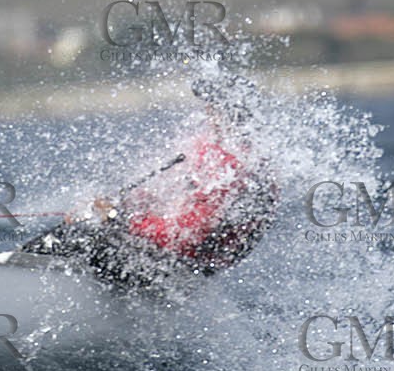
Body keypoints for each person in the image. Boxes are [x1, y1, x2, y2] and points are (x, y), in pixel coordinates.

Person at [20, 75, 277, 287]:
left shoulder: (232, 167)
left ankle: (18, 271)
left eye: (214, 107)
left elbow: (188, 234)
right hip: (177, 262)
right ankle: (23, 265)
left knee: (84, 235)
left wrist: (116, 218)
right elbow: (165, 195)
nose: (208, 113)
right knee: (91, 226)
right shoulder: (224, 152)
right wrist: (120, 205)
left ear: (230, 112)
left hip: (175, 267)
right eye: (208, 106)